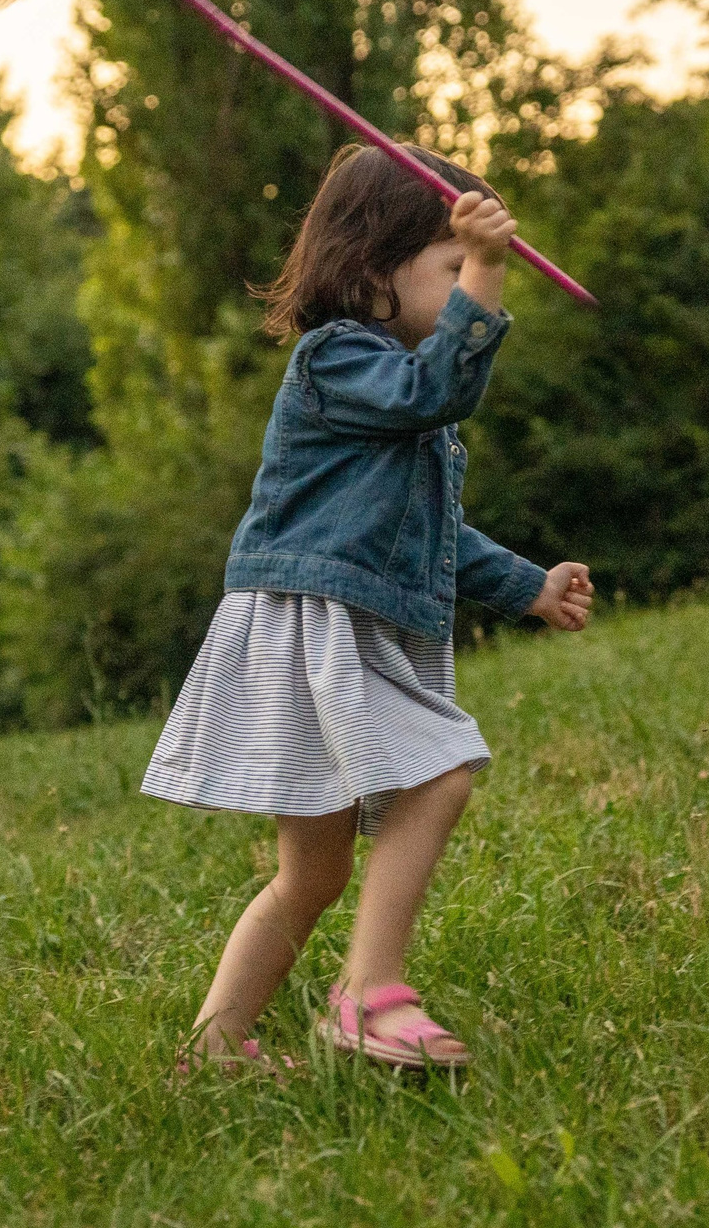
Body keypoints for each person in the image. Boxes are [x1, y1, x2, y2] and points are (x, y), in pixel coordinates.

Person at [142, 142, 595, 1073]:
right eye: (451, 264)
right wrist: (492, 267)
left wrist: (530, 588)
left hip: (339, 630)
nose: (471, 281)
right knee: (441, 773)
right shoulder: (340, 360)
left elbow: (433, 535)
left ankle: (216, 1046)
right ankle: (367, 996)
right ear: (369, 269)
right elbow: (441, 389)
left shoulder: (394, 395)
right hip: (317, 629)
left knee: (312, 873)